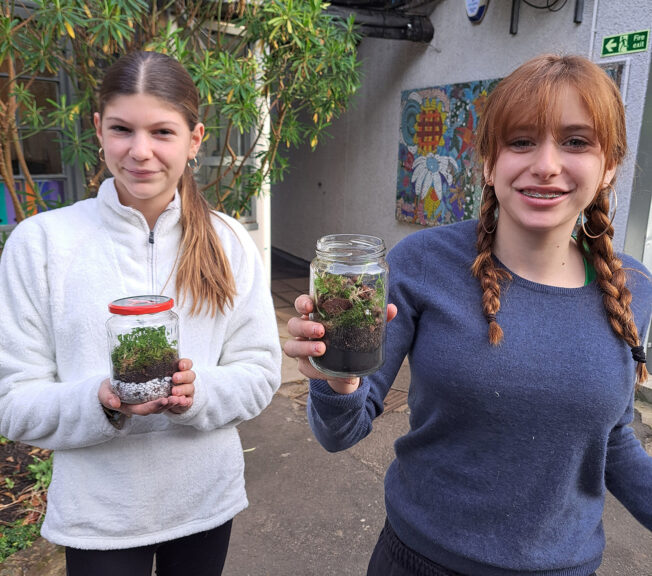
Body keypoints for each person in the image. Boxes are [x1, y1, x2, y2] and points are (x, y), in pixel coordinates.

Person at [284, 53, 652, 576]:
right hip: (419, 561)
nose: (546, 164)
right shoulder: (421, 264)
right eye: (521, 141)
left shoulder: (632, 286)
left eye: (575, 141)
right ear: (488, 161)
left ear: (609, 164)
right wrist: (336, 379)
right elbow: (340, 432)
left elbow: (610, 438)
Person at [0, 51, 281, 576]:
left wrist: (199, 395)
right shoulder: (41, 244)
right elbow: (12, 400)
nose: (141, 151)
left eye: (163, 132)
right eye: (122, 129)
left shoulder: (230, 242)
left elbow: (260, 372)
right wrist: (101, 403)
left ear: (195, 140)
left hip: (204, 505)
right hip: (98, 519)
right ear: (98, 130)